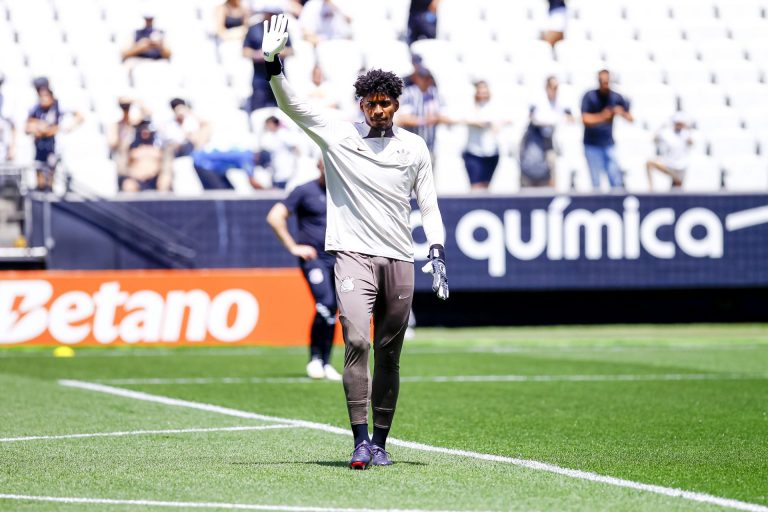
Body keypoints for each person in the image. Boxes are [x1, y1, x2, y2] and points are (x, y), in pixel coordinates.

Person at [263, 13, 448, 469]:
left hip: (400, 258)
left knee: (390, 354)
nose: (379, 109)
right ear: (361, 105)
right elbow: (292, 106)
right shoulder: (339, 137)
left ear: (396, 104)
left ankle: (382, 441)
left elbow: (429, 207)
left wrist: (438, 251)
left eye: (386, 102)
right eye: (371, 102)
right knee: (358, 341)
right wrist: (273, 63)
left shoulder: (414, 149)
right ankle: (360, 440)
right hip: (353, 257)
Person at [266, 159, 342, 380]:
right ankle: (316, 358)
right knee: (325, 304)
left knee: (334, 310)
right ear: (319, 167)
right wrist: (293, 246)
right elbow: (274, 216)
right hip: (314, 259)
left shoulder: (346, 192)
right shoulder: (304, 191)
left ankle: (326, 362)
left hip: (339, 259)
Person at [581, 69, 633, 190]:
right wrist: (603, 116)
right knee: (596, 182)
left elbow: (631, 118)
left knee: (615, 179)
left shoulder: (616, 97)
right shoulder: (589, 96)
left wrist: (621, 112)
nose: (605, 84)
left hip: (609, 143)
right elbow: (585, 119)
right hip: (591, 144)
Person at [26, 86, 83, 190]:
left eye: (46, 96)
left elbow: (79, 116)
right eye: (41, 96)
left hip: (53, 147)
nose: (43, 99)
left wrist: (64, 128)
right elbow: (27, 127)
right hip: (39, 147)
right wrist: (39, 127)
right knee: (39, 173)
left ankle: (49, 192)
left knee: (51, 171)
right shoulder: (36, 109)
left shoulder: (58, 108)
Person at [522, 76, 574, 188]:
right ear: (546, 87)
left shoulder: (562, 101)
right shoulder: (538, 100)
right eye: (552, 87)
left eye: (556, 87)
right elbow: (533, 118)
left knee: (554, 169)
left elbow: (571, 118)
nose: (554, 90)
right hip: (536, 141)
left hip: (553, 143)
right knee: (532, 169)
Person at [243, 9, 294, 112]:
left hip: (278, 74)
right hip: (260, 76)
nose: (274, 16)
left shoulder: (282, 29)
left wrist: (274, 52)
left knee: (283, 108)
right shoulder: (253, 29)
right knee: (258, 108)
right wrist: (258, 54)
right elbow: (245, 51)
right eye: (272, 14)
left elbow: (290, 50)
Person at [459, 80, 505, 190]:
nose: (482, 95)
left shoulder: (494, 107)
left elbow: (500, 124)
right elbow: (466, 119)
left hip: (491, 152)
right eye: (480, 92)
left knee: (486, 187)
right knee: (476, 187)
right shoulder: (470, 106)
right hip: (474, 151)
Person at [397, 66, 446, 164]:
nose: (426, 81)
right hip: (411, 148)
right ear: (416, 79)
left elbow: (444, 115)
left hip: (430, 148)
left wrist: (437, 118)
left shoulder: (434, 93)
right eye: (423, 78)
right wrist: (424, 121)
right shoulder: (409, 93)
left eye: (428, 78)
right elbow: (403, 118)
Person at [647, 113, 694, 190]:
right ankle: (651, 189)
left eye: (681, 124)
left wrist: (688, 131)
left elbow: (691, 143)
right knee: (649, 163)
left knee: (676, 191)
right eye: (677, 123)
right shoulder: (667, 133)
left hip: (681, 167)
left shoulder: (686, 134)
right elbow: (654, 139)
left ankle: (676, 179)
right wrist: (660, 128)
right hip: (669, 165)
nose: (679, 125)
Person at [107, 96, 150, 180]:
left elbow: (148, 113)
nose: (126, 109)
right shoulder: (115, 126)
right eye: (123, 106)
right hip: (124, 162)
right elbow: (112, 143)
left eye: (127, 106)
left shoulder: (135, 123)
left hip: (136, 160)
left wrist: (134, 100)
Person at [122, 119, 171, 192]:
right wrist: (134, 174)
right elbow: (122, 167)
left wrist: (157, 172)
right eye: (142, 129)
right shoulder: (131, 148)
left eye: (147, 129)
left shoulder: (159, 147)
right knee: (128, 185)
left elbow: (167, 165)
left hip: (155, 179)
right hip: (137, 179)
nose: (145, 132)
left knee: (165, 180)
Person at [190, 147, 271, 190]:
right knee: (221, 194)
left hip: (214, 170)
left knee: (229, 191)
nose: (257, 166)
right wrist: (268, 191)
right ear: (258, 158)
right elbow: (252, 182)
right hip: (204, 164)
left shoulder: (246, 154)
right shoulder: (247, 158)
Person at [259, 115, 300, 188]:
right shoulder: (268, 136)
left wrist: (297, 160)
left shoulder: (283, 133)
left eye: (268, 124)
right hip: (274, 165)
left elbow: (295, 147)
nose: (267, 126)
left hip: (285, 164)